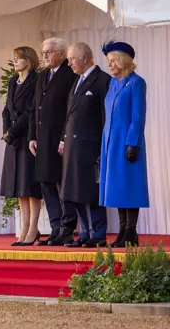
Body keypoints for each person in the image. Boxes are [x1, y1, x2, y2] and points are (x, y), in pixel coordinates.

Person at [57, 43, 111, 247]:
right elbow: (69, 114)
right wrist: (63, 138)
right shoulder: (77, 81)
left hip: (90, 146)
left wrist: (103, 146)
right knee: (74, 191)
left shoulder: (102, 80)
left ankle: (98, 234)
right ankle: (86, 234)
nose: (69, 63)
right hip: (72, 146)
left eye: (72, 59)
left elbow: (105, 117)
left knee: (90, 191)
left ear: (85, 57)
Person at [28, 37, 77, 246]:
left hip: (59, 140)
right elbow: (34, 107)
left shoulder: (69, 74)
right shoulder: (42, 76)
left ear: (61, 53)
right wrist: (32, 136)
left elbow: (71, 110)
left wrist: (64, 137)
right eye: (43, 52)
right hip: (42, 140)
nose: (45, 56)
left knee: (62, 184)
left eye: (49, 52)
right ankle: (56, 227)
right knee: (47, 184)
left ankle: (67, 227)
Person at [100, 40, 149, 247]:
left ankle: (131, 231)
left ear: (123, 60)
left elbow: (138, 116)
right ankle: (122, 231)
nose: (110, 65)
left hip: (127, 141)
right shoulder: (112, 84)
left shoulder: (136, 82)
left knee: (129, 185)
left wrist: (132, 143)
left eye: (113, 61)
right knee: (117, 188)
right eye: (108, 61)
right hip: (111, 141)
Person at [0, 47, 40, 246]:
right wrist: (6, 130)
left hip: (27, 136)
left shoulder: (35, 80)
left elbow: (30, 112)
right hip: (13, 139)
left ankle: (33, 227)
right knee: (19, 187)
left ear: (29, 61)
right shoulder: (13, 81)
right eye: (14, 58)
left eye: (19, 58)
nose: (15, 62)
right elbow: (7, 109)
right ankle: (23, 227)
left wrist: (13, 131)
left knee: (30, 185)